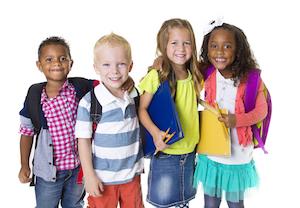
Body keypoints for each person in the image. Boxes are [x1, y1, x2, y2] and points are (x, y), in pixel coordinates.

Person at [18, 36, 134, 208]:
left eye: (62, 58)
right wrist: (24, 164)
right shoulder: (35, 95)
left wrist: (127, 81)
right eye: (49, 59)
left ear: (70, 63)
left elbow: (109, 84)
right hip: (49, 173)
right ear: (39, 65)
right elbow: (26, 132)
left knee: (74, 204)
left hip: (78, 169)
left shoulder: (81, 86)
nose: (56, 63)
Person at [193, 20, 268, 208]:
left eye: (227, 46)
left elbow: (262, 111)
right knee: (210, 203)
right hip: (211, 152)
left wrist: (237, 120)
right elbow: (182, 67)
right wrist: (160, 61)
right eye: (214, 46)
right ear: (207, 49)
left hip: (238, 154)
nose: (219, 52)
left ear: (238, 50)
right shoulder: (207, 72)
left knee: (235, 203)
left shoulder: (251, 80)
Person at [139, 18, 203, 208]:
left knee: (183, 202)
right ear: (163, 46)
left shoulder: (194, 75)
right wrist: (155, 134)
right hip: (167, 152)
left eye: (187, 43)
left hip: (190, 153)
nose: (181, 48)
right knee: (165, 203)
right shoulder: (156, 76)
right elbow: (141, 110)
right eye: (174, 43)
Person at [75, 33, 144, 208]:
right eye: (106, 64)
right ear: (96, 67)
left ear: (131, 65)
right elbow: (83, 142)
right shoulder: (89, 103)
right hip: (102, 178)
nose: (114, 71)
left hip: (131, 176)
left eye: (121, 64)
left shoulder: (134, 94)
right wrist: (89, 176)